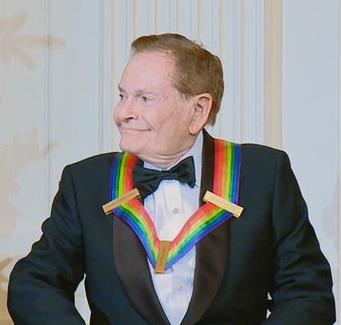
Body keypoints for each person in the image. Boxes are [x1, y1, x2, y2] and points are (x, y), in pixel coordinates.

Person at [8, 33, 335, 324]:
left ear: (198, 110)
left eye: (144, 98)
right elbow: (34, 283)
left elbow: (308, 294)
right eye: (123, 95)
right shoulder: (86, 182)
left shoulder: (264, 173)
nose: (123, 113)